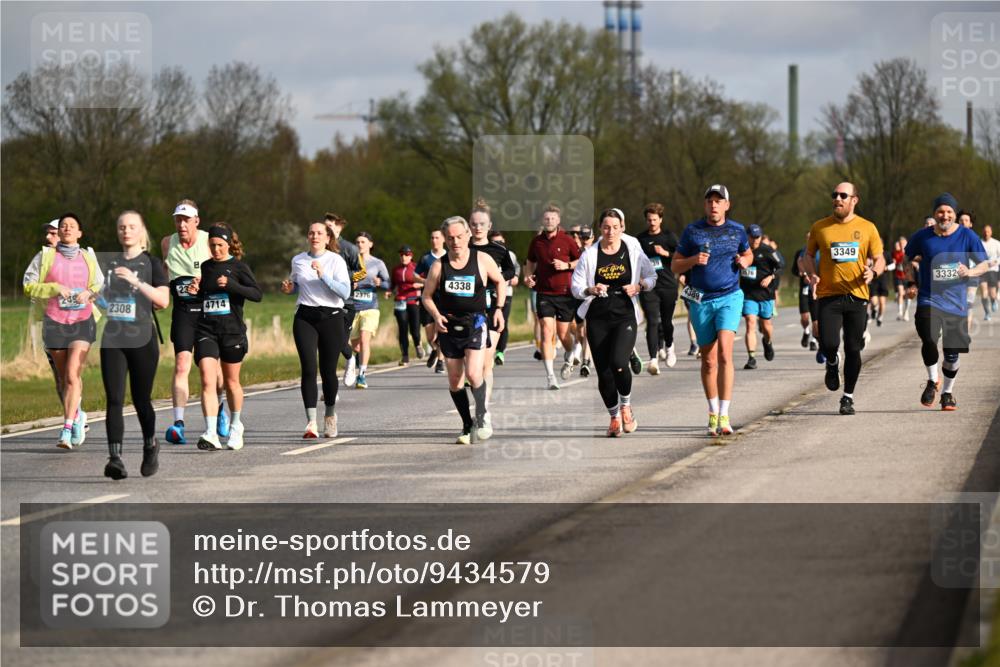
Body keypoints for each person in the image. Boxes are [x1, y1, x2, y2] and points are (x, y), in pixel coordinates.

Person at [672, 185, 753, 436]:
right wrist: (693, 261)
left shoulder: (737, 230)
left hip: (729, 296)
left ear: (727, 205)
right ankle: (712, 411)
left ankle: (725, 415)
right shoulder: (692, 231)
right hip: (700, 299)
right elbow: (675, 265)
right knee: (708, 360)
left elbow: (748, 254)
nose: (714, 205)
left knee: (725, 354)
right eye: (710, 201)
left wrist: (744, 261)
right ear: (705, 205)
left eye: (719, 201)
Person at [801, 183, 885, 416]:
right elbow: (807, 255)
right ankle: (831, 362)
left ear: (854, 200)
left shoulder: (868, 228)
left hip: (857, 297)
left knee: (853, 348)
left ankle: (847, 397)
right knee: (828, 343)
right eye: (835, 195)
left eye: (843, 195)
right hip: (828, 295)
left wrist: (874, 272)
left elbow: (879, 258)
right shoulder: (820, 227)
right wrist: (811, 274)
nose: (837, 198)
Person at [571, 209, 656, 436]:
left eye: (615, 227)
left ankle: (626, 406)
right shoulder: (590, 255)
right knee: (605, 373)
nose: (611, 231)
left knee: (619, 363)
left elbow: (651, 276)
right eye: (606, 227)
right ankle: (613, 417)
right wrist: (591, 289)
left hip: (624, 315)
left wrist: (639, 286)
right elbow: (575, 286)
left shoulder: (633, 250)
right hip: (597, 317)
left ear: (622, 228)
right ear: (601, 229)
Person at [421, 216, 506, 444]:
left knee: (474, 374)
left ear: (468, 235)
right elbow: (426, 296)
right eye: (450, 238)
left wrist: (498, 309)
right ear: (445, 240)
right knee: (455, 380)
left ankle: (482, 415)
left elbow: (500, 282)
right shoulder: (439, 265)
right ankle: (467, 424)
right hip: (449, 325)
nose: (455, 242)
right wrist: (436, 315)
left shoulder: (482, 259)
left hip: (476, 322)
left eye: (459, 236)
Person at [23, 213, 104, 448]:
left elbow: (98, 284)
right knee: (63, 378)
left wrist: (88, 293)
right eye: (63, 226)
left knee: (71, 375)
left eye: (72, 226)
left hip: (82, 320)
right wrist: (54, 288)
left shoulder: (88, 257)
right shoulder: (45, 257)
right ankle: (77, 416)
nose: (66, 229)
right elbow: (28, 286)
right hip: (54, 322)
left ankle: (66, 429)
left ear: (79, 233)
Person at [99, 211, 169, 479]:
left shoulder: (151, 264)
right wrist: (97, 297)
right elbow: (106, 299)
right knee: (114, 399)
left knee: (141, 400)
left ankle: (150, 444)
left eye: (131, 227)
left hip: (143, 339)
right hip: (114, 337)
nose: (126, 231)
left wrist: (135, 281)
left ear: (141, 232)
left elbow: (162, 301)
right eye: (121, 227)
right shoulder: (111, 264)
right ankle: (115, 459)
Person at [906, 193, 989, 410]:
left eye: (949, 212)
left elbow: (985, 264)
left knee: (952, 354)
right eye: (941, 211)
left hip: (957, 303)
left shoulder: (967, 236)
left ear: (955, 214)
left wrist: (970, 271)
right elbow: (908, 259)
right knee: (929, 338)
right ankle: (933, 380)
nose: (945, 215)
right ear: (935, 214)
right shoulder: (921, 237)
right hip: (928, 298)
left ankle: (947, 392)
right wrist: (910, 283)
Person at [188, 223, 262, 450]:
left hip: (232, 331)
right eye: (212, 245)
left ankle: (236, 425)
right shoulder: (206, 267)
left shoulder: (239, 267)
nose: (216, 249)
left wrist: (232, 285)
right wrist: (196, 292)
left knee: (231, 383)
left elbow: (257, 294)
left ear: (228, 244)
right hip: (206, 330)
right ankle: (210, 432)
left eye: (220, 245)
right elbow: (205, 296)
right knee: (207, 380)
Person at [161, 200, 226, 445]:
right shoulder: (167, 243)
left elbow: (223, 270)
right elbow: (167, 276)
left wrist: (204, 282)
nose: (182, 224)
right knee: (181, 364)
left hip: (208, 311)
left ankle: (219, 408)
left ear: (196, 221)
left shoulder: (210, 241)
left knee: (213, 373)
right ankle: (179, 423)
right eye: (178, 219)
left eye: (186, 219)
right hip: (183, 311)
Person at [282, 220, 350, 438]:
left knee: (328, 371)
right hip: (305, 317)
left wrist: (324, 276)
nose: (315, 236)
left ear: (328, 238)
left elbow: (345, 293)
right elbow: (297, 285)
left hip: (331, 317)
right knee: (309, 368)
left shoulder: (335, 260)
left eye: (320, 233)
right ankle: (311, 422)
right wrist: (290, 288)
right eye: (311, 233)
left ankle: (329, 415)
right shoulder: (298, 260)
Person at [524, 206, 581, 389]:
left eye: (552, 219)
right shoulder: (537, 242)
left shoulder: (568, 240)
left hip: (565, 293)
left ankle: (572, 351)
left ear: (558, 221)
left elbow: (581, 261)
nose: (549, 221)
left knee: (564, 334)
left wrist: (566, 265)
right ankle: (550, 376)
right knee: (547, 331)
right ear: (543, 221)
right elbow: (530, 262)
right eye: (546, 219)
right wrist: (528, 276)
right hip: (544, 293)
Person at [469, 200, 515, 422]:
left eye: (482, 224)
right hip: (466, 311)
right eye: (474, 224)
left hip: (491, 309)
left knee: (486, 362)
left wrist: (496, 276)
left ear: (489, 226)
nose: (477, 228)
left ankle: (483, 410)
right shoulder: (463, 248)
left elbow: (510, 272)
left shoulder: (499, 250)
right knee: (470, 368)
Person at [636, 203, 680, 375]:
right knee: (652, 321)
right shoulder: (640, 240)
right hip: (649, 286)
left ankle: (669, 346)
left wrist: (665, 254)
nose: (652, 223)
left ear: (660, 219)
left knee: (667, 322)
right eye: (649, 220)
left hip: (668, 284)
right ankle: (653, 359)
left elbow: (681, 257)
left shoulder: (669, 237)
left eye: (655, 219)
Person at [342, 232, 390, 389]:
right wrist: (349, 284)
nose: (359, 244)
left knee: (364, 340)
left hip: (370, 308)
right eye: (357, 242)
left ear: (370, 244)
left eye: (363, 241)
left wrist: (380, 283)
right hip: (352, 307)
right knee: (355, 346)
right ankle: (355, 359)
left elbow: (388, 283)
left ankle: (362, 374)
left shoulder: (377, 263)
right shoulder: (349, 262)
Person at [326, 213, 365, 383]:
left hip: (346, 302)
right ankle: (330, 386)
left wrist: (347, 279)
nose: (326, 229)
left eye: (330, 226)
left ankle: (351, 359)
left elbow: (362, 271)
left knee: (339, 341)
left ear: (339, 227)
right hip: (323, 302)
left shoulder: (349, 248)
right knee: (327, 345)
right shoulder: (320, 248)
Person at [739, 224, 782, 370]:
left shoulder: (767, 250)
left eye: (757, 237)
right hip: (748, 293)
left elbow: (781, 265)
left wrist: (771, 277)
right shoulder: (740, 250)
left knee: (766, 327)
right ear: (747, 237)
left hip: (766, 294)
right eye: (752, 237)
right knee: (750, 322)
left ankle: (767, 342)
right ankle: (751, 358)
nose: (755, 240)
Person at [415, 229, 447, 374]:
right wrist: (427, 281)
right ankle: (434, 350)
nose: (434, 240)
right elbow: (414, 275)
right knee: (430, 336)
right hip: (428, 297)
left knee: (441, 331)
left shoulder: (449, 256)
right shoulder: (425, 258)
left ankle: (440, 361)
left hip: (444, 299)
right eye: (432, 237)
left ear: (444, 239)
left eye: (437, 237)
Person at [568, 224, 595, 377]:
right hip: (578, 294)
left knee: (587, 327)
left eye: (587, 238)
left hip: (592, 295)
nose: (585, 241)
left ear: (593, 238)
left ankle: (586, 361)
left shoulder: (597, 252)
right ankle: (578, 347)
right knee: (579, 330)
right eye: (582, 238)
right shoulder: (576, 252)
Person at [489, 229, 519, 365]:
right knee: (488, 323)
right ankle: (488, 350)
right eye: (495, 242)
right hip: (490, 294)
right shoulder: (487, 254)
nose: (498, 244)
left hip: (506, 293)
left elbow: (516, 268)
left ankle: (500, 351)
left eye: (500, 241)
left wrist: (516, 277)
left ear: (504, 241)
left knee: (503, 322)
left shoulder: (510, 254)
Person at [390, 245, 424, 365]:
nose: (404, 257)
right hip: (400, 301)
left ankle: (418, 344)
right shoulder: (396, 270)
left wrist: (419, 285)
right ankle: (404, 355)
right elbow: (392, 284)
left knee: (414, 329)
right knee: (403, 328)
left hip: (414, 301)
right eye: (402, 255)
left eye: (406, 255)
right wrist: (389, 291)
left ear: (411, 256)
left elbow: (427, 282)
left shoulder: (416, 268)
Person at [792, 232, 821, 355]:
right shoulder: (801, 252)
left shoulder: (821, 251)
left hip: (816, 288)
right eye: (808, 238)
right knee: (804, 317)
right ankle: (806, 331)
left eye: (812, 238)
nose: (810, 240)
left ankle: (814, 340)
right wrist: (802, 274)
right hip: (804, 288)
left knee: (815, 319)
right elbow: (794, 269)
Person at [979, 224, 1000, 320]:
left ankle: (993, 300)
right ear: (982, 232)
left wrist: (996, 261)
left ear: (991, 232)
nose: (986, 233)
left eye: (988, 231)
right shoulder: (979, 243)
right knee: (984, 293)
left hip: (993, 270)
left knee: (992, 293)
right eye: (984, 231)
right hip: (982, 270)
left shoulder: (996, 243)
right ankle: (987, 313)